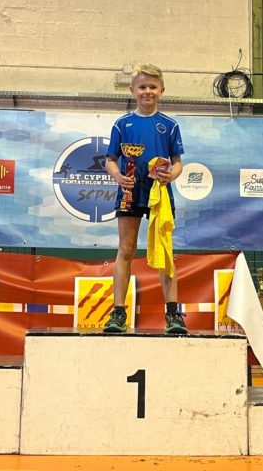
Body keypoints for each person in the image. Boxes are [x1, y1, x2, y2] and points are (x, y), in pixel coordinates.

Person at [103, 64, 186, 335]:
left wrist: (170, 176)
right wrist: (119, 177)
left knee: (165, 252)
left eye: (152, 87)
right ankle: (118, 313)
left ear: (162, 90)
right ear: (132, 90)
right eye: (142, 87)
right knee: (126, 250)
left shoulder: (170, 126)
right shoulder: (122, 124)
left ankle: (173, 315)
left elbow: (178, 163)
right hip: (129, 193)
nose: (147, 91)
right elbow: (110, 160)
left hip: (159, 194)